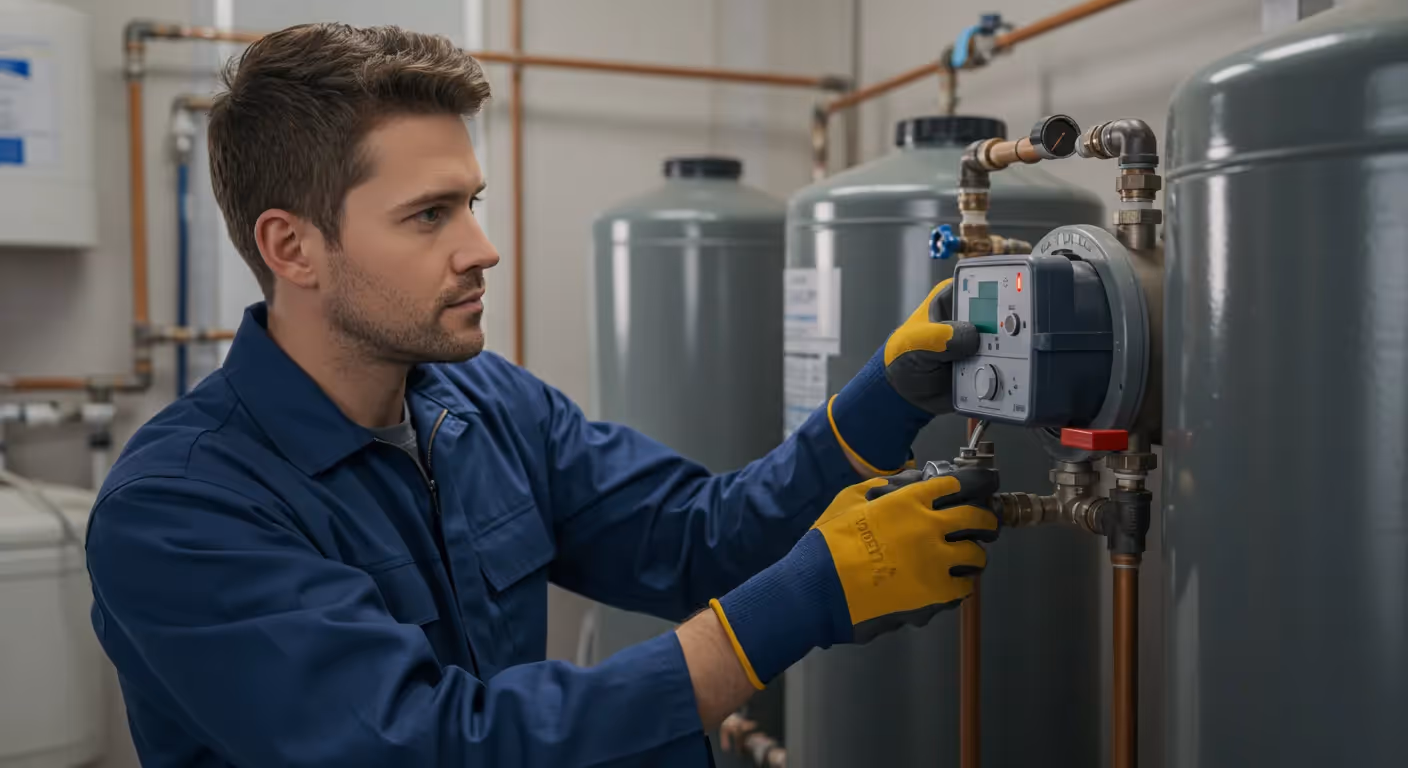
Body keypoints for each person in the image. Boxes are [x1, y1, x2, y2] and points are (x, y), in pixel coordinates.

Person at [85, 23, 999, 767]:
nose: (481, 248)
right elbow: (432, 746)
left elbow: (696, 537)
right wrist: (788, 609)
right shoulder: (180, 510)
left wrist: (882, 402)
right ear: (292, 249)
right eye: (429, 214)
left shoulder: (483, 402)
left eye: (471, 203)